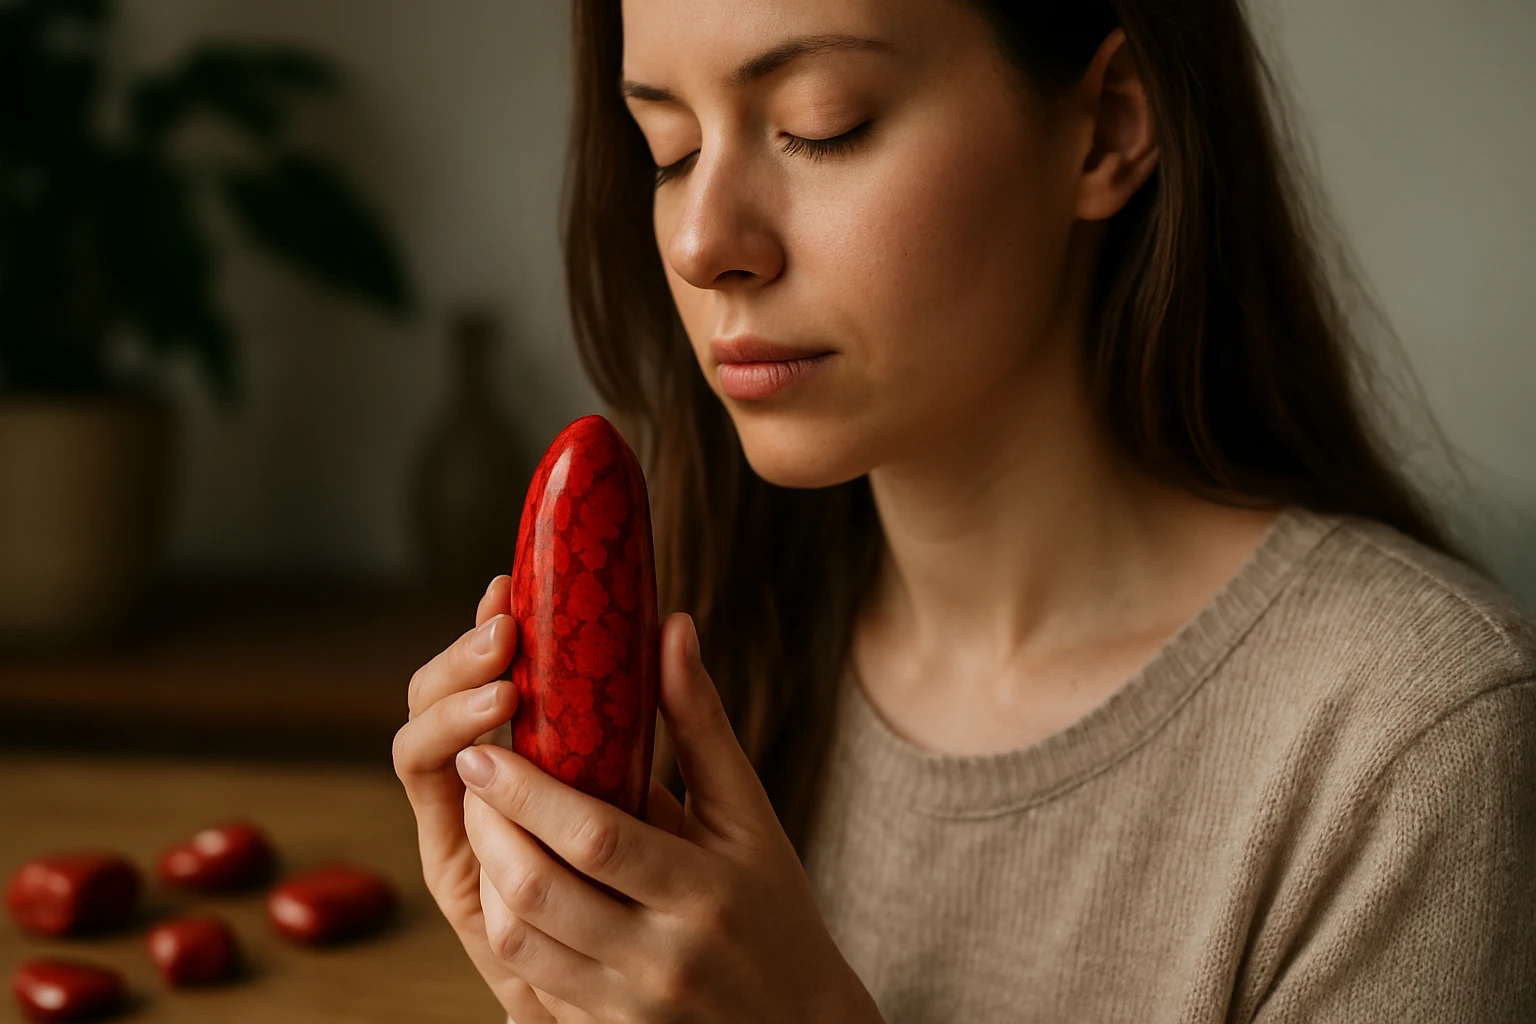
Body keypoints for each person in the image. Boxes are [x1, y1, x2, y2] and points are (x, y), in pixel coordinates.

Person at [392, 0, 1536, 1020]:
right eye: (670, 148)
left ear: (1110, 125)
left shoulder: (1418, 744)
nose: (702, 244)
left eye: (821, 124)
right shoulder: (708, 652)